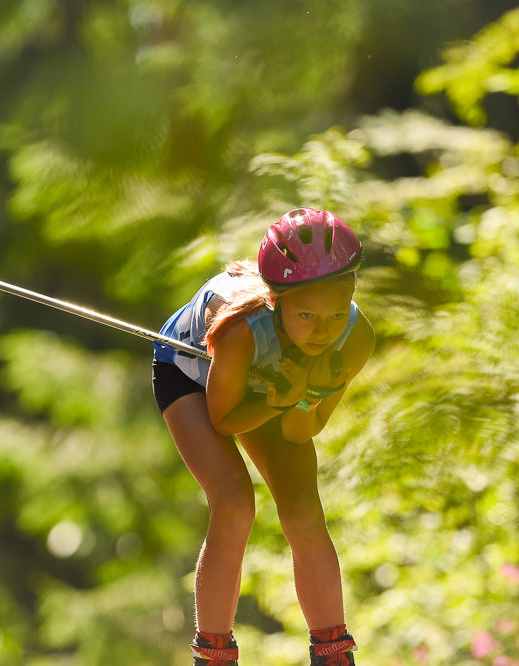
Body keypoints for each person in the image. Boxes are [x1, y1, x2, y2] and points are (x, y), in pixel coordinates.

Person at [152, 208, 375, 665]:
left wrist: (305, 396)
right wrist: (279, 399)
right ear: (276, 300)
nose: (322, 331)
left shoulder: (355, 339)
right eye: (307, 314)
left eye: (335, 315)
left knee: (303, 511)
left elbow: (301, 430)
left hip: (272, 385)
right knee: (234, 502)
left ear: (352, 295)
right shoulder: (239, 331)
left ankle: (333, 653)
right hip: (193, 374)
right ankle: (213, 655)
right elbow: (224, 421)